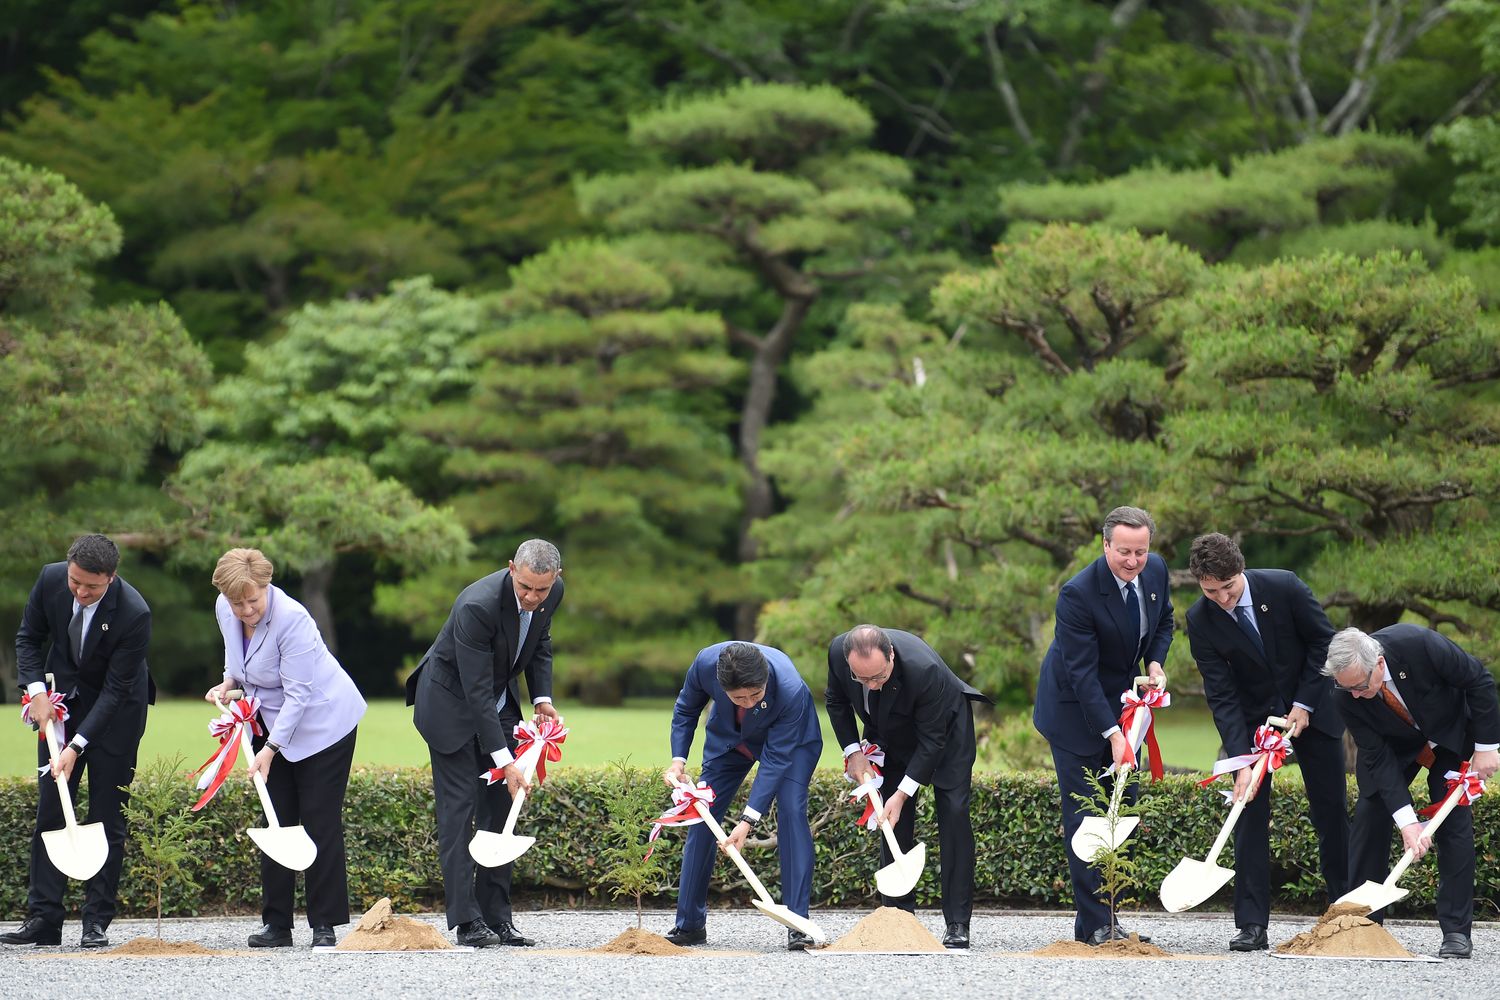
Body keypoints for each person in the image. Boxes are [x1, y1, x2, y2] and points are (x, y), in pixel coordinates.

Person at [1185, 532, 1349, 952]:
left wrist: (1305, 703)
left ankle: (1346, 914)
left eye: (1228, 587)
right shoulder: (1200, 619)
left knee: (1330, 812)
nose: (1221, 598)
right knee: (1248, 815)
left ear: (1241, 570)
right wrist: (1240, 759)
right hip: (1254, 726)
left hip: (1311, 713)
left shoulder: (1284, 585)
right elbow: (1220, 693)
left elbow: (1322, 642)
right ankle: (1252, 924)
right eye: (1211, 591)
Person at [203, 548, 367, 949]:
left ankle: (323, 924)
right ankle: (276, 925)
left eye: (252, 600)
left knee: (318, 819)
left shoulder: (293, 619)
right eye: (236, 602)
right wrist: (228, 682)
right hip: (268, 718)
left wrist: (270, 749)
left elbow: (298, 696)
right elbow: (235, 655)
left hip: (322, 723)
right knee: (276, 817)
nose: (245, 610)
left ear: (266, 585)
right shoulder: (227, 608)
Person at [406, 539, 564, 947]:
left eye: (541, 590)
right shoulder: (476, 605)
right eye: (525, 586)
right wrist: (503, 759)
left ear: (555, 580)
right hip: (449, 705)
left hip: (498, 699)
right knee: (459, 811)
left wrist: (542, 698)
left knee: (501, 808)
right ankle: (466, 921)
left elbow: (539, 643)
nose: (532, 597)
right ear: (511, 568)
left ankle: (498, 917)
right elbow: (475, 692)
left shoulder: (552, 594)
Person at [2, 534, 153, 950]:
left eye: (92, 586)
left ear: (112, 577)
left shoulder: (134, 612)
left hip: (117, 713)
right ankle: (44, 918)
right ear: (67, 569)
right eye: (76, 582)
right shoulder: (50, 580)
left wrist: (75, 746)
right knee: (50, 808)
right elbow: (28, 638)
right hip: (60, 707)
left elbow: (117, 689)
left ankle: (95, 921)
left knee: (107, 814)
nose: (82, 592)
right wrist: (36, 692)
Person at [1033, 505, 1173, 945]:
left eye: (1141, 552)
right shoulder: (1078, 593)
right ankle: (1097, 925)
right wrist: (1113, 735)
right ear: (1105, 544)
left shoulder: (1155, 572)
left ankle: (1104, 918)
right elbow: (1081, 674)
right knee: (1088, 815)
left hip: (1124, 704)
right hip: (1075, 711)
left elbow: (1165, 620)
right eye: (1124, 552)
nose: (1133, 562)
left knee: (1121, 809)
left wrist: (1155, 662)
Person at [1324, 625, 1500, 960]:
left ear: (1378, 663)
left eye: (1361, 686)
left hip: (1448, 735)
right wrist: (1407, 822)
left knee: (1452, 821)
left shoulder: (1419, 644)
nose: (1356, 695)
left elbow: (1478, 679)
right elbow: (1375, 755)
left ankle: (1456, 933)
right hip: (1393, 746)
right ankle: (1363, 924)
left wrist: (1487, 746)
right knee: (1371, 812)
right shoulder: (1344, 692)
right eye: (1348, 689)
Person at [827, 624, 991, 949]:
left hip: (945, 731)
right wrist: (853, 752)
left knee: (954, 813)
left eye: (878, 677)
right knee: (891, 818)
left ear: (890, 656)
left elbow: (931, 743)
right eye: (863, 680)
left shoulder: (923, 669)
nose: (871, 686)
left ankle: (957, 922)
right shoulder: (837, 652)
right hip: (890, 732)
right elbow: (836, 702)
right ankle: (897, 915)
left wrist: (903, 794)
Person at [663, 642, 823, 950]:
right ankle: (690, 925)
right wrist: (678, 759)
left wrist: (747, 821)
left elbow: (776, 760)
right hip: (730, 741)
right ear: (721, 687)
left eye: (755, 695)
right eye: (738, 697)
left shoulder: (789, 688)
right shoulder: (705, 663)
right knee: (702, 815)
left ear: (765, 680)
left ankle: (797, 923)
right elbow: (686, 708)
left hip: (791, 744)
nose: (748, 703)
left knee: (791, 810)